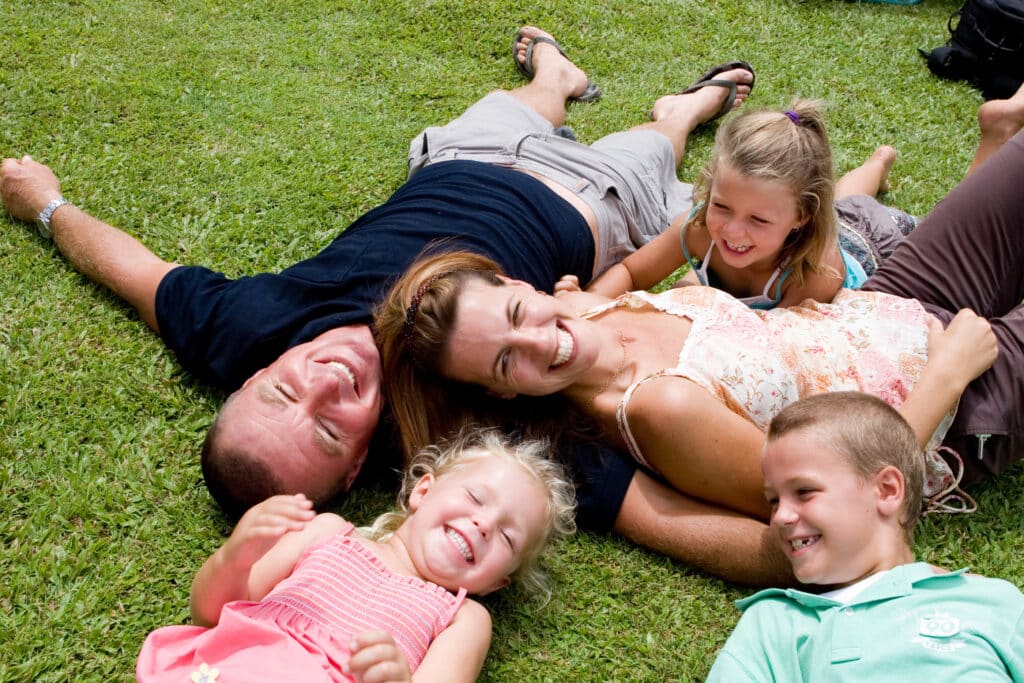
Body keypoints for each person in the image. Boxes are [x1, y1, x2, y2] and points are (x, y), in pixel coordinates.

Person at [0, 26, 755, 524]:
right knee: (652, 144)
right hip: (594, 202)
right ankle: (688, 106)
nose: (325, 382)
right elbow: (634, 505)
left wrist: (45, 203)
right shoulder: (446, 428)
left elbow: (138, 273)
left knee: (523, 102)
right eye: (329, 429)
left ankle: (556, 78)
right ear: (363, 458)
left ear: (254, 372)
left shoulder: (241, 330)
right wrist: (818, 545)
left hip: (461, 160)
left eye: (284, 388)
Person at [375, 101, 1024, 575]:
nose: (545, 343)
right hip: (952, 404)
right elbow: (829, 517)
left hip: (887, 299)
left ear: (524, 283)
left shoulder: (588, 306)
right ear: (500, 392)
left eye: (519, 312)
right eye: (508, 362)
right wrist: (948, 376)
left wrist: (583, 298)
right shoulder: (661, 407)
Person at [136, 428, 577, 682]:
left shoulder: (463, 618)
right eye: (476, 498)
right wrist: (235, 557)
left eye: (507, 538)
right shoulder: (328, 533)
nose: (484, 524)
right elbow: (209, 615)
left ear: (498, 582)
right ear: (423, 491)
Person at [565, 95, 1018, 308]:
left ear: (801, 217)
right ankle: (880, 162)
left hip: (878, 246)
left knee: (949, 231)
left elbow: (775, 348)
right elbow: (629, 271)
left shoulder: (809, 278)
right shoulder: (703, 226)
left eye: (756, 219)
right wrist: (588, 306)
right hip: (832, 218)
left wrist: (690, 298)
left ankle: (993, 143)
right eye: (722, 205)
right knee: (845, 200)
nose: (732, 231)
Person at [706, 393, 1024, 681]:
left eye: (804, 492)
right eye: (774, 500)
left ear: (886, 491)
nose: (780, 517)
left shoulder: (991, 601)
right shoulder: (774, 623)